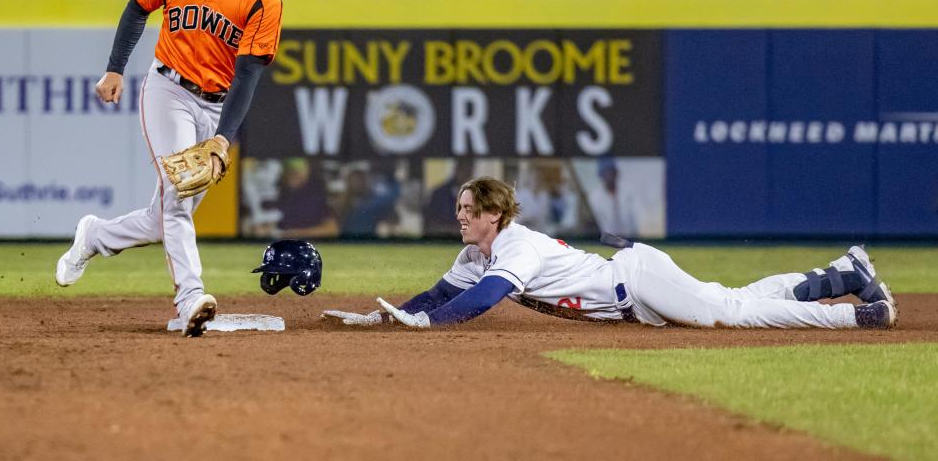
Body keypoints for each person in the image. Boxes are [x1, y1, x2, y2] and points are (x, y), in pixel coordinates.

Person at [55, 0, 283, 337]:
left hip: (216, 105)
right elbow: (137, 8)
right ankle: (190, 298)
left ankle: (96, 236)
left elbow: (249, 72)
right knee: (178, 196)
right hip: (168, 90)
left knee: (165, 215)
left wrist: (223, 137)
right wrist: (115, 68)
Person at [322, 177, 897, 330]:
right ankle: (843, 274)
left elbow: (488, 297)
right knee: (732, 298)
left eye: (471, 210)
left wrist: (431, 326)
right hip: (634, 298)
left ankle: (862, 313)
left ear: (495, 214)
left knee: (733, 314)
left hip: (637, 280)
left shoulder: (514, 247)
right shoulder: (475, 255)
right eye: (461, 209)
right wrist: (388, 317)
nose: (461, 216)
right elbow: (442, 295)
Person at [587, 157, 638, 236]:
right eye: (606, 172)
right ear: (601, 175)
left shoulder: (628, 193)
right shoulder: (594, 198)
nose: (609, 175)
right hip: (605, 242)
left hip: (630, 239)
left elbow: (635, 221)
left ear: (616, 173)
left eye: (611, 171)